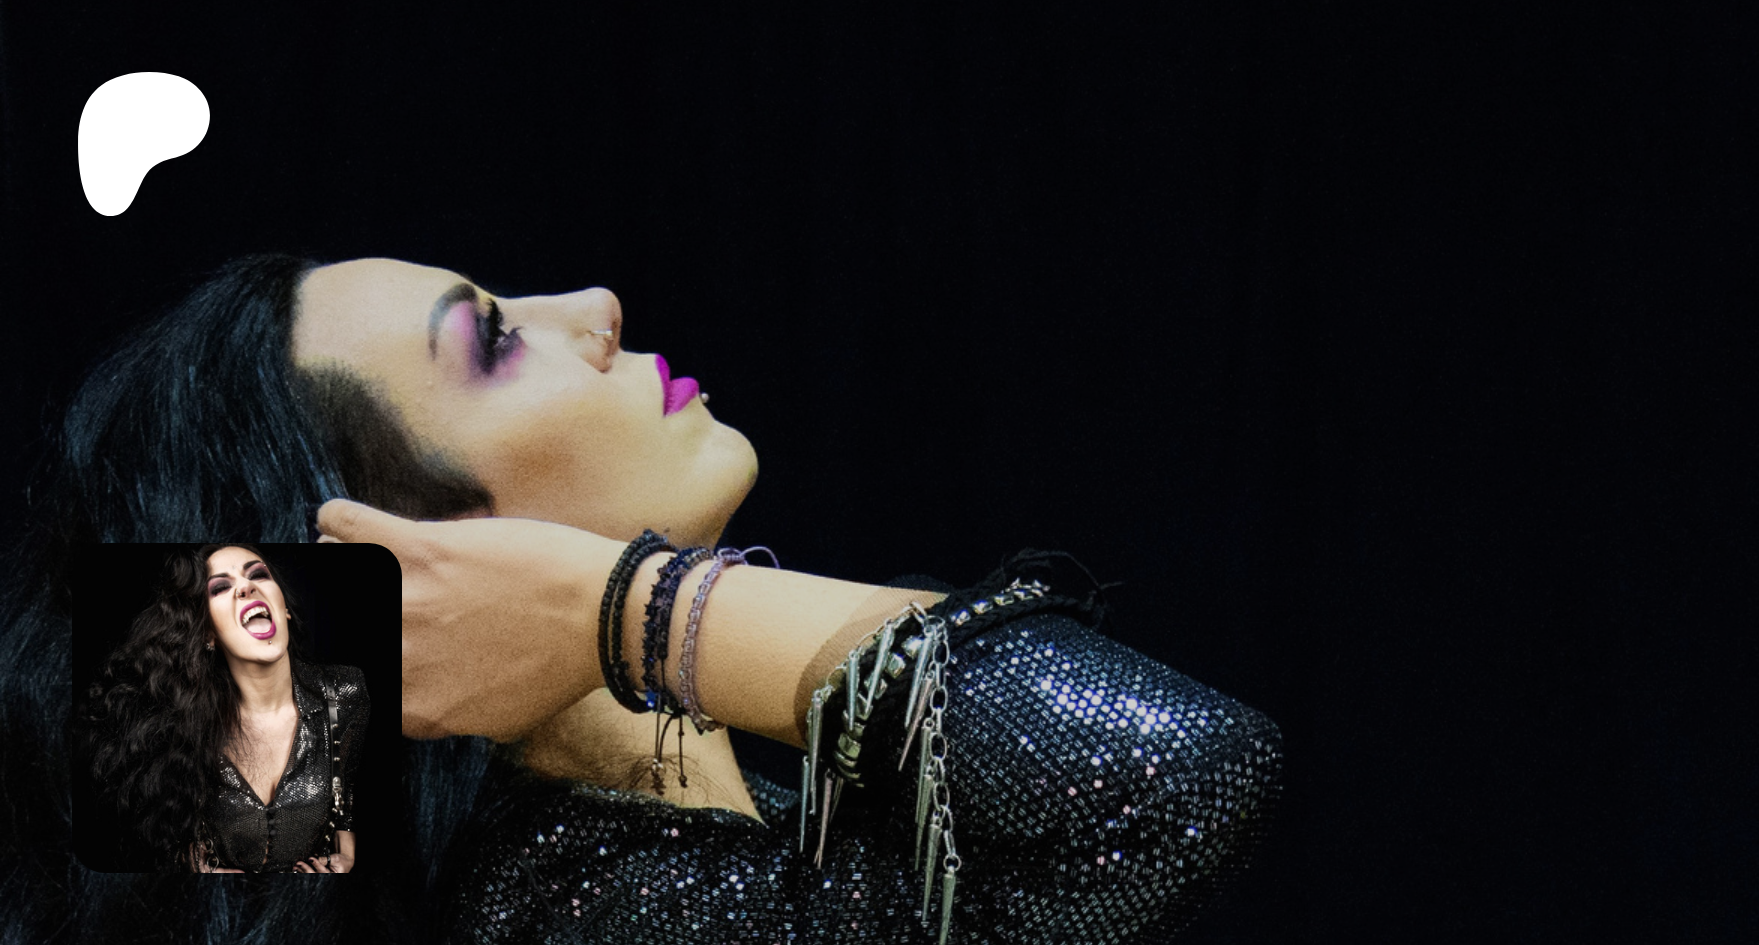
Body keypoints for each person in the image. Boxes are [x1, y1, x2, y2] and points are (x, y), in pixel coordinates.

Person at [0, 254, 1281, 943]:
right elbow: (1164, 779)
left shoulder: (718, 807)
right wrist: (632, 610)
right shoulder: (569, 908)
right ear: (423, 555)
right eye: (495, 342)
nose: (595, 307)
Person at [76, 544, 368, 874]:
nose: (246, 586)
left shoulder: (345, 692)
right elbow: (151, 834)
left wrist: (348, 857)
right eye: (220, 587)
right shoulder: (182, 722)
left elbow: (347, 788)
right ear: (208, 634)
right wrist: (190, 865)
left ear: (284, 608)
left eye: (257, 574)